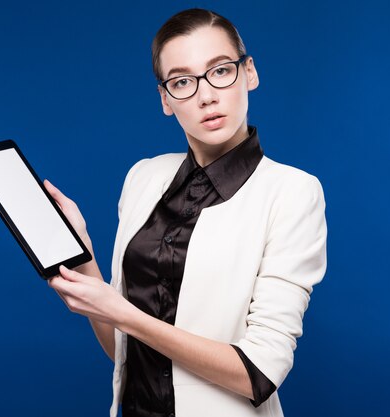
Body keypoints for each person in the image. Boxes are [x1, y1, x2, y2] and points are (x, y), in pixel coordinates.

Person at [43, 8, 327, 417]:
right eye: (182, 82)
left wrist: (126, 315)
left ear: (249, 73)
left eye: (221, 71)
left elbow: (261, 373)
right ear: (165, 99)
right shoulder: (144, 177)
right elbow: (123, 352)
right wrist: (83, 256)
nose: (206, 95)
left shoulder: (293, 192)